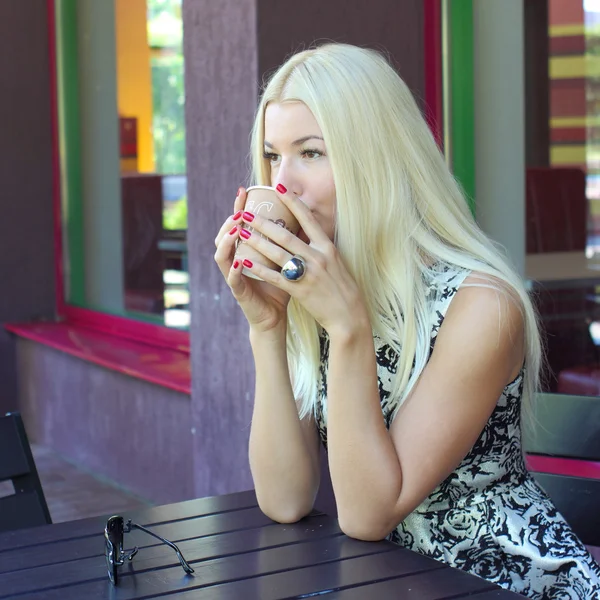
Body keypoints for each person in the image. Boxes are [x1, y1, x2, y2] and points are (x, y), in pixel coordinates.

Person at [213, 43, 600, 598]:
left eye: (312, 153)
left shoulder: (481, 305)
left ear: (376, 157)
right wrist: (266, 328)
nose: (283, 183)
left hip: (505, 581)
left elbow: (369, 514)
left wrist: (348, 331)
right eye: (273, 155)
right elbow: (285, 500)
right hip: (394, 582)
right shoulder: (326, 289)